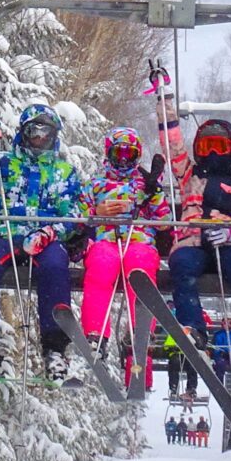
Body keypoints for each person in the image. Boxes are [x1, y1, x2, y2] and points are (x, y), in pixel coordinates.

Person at [0, 102, 85, 379]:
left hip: (45, 238)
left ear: (54, 136)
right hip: (6, 233)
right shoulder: (3, 163)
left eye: (45, 133)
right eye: (33, 132)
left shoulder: (63, 173)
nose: (39, 139)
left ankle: (55, 350)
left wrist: (50, 233)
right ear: (23, 133)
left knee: (55, 266)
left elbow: (76, 214)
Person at [148, 66, 231, 346]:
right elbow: (172, 146)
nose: (213, 153)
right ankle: (193, 328)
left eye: (219, 146)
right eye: (206, 147)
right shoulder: (190, 175)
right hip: (192, 241)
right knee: (181, 266)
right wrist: (163, 98)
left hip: (228, 242)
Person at [80, 126, 166, 393]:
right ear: (109, 153)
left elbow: (164, 221)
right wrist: (98, 211)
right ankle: (96, 334)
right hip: (106, 239)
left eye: (131, 154)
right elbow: (77, 216)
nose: (125, 159)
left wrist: (154, 192)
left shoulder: (145, 184)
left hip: (138, 240)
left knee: (139, 270)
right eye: (119, 153)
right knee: (101, 265)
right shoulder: (96, 184)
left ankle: (139, 337)